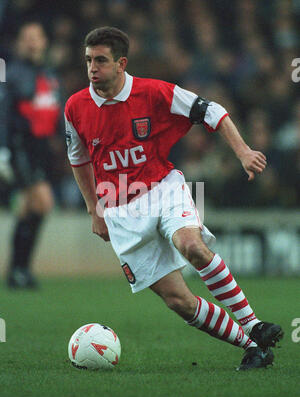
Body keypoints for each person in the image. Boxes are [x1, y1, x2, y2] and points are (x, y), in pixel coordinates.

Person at [64, 27, 283, 370]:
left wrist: (242, 151)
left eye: (101, 61)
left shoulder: (154, 92)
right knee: (178, 300)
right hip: (120, 213)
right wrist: (94, 209)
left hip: (162, 189)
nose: (92, 68)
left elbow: (213, 111)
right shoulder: (75, 107)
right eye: (88, 60)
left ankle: (252, 322)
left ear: (121, 63)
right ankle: (251, 345)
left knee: (192, 247)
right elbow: (78, 159)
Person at [0, 22, 62, 289]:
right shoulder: (12, 74)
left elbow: (54, 111)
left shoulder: (48, 74)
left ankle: (18, 271)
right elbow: (3, 116)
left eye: (36, 37)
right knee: (43, 202)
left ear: (44, 41)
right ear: (20, 43)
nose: (31, 42)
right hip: (20, 147)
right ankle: (19, 269)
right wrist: (3, 151)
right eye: (26, 37)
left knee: (28, 209)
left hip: (42, 148)